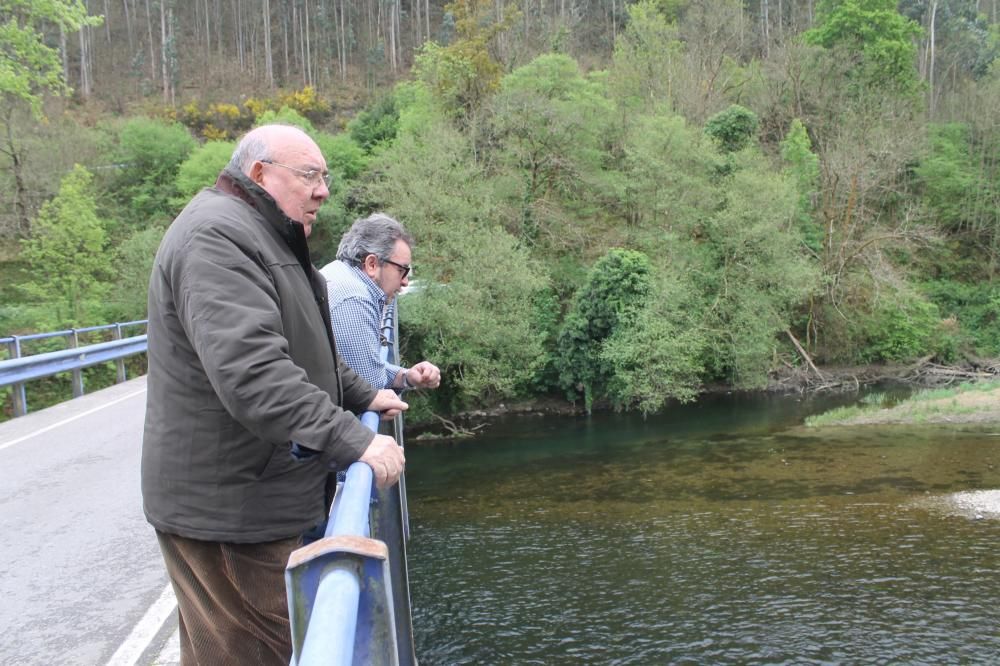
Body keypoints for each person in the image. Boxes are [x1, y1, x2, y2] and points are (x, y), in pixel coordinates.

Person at [141, 124, 407, 666]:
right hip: (230, 510)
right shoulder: (216, 238)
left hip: (252, 495)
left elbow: (307, 351)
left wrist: (364, 395)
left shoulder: (264, 235)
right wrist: (353, 439)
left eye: (325, 177)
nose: (323, 190)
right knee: (260, 652)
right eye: (309, 175)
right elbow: (253, 371)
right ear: (260, 173)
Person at [320, 213, 441, 392]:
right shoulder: (355, 299)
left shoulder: (339, 271)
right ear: (372, 264)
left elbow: (365, 368)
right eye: (402, 270)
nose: (405, 281)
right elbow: (370, 389)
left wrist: (406, 377)